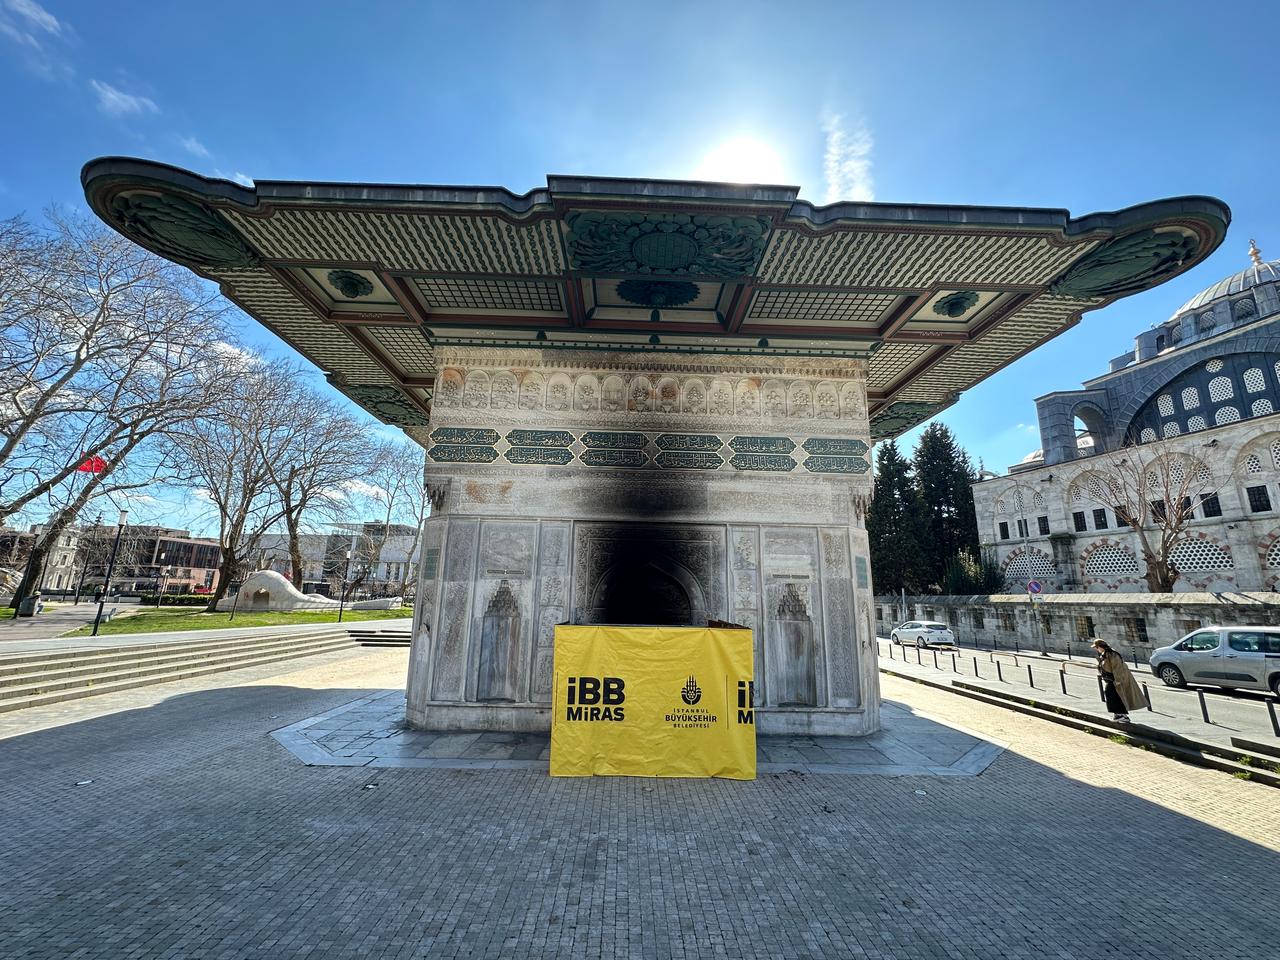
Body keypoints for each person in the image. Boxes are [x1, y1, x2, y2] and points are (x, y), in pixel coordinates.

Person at [1091, 638, 1145, 723]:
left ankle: (1121, 715)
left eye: (1096, 647)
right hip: (1111, 679)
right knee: (1112, 695)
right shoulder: (1105, 654)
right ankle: (1119, 715)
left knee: (1112, 694)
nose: (1096, 649)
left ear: (1100, 647)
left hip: (1115, 679)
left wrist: (1118, 680)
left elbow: (1117, 668)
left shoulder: (1112, 654)